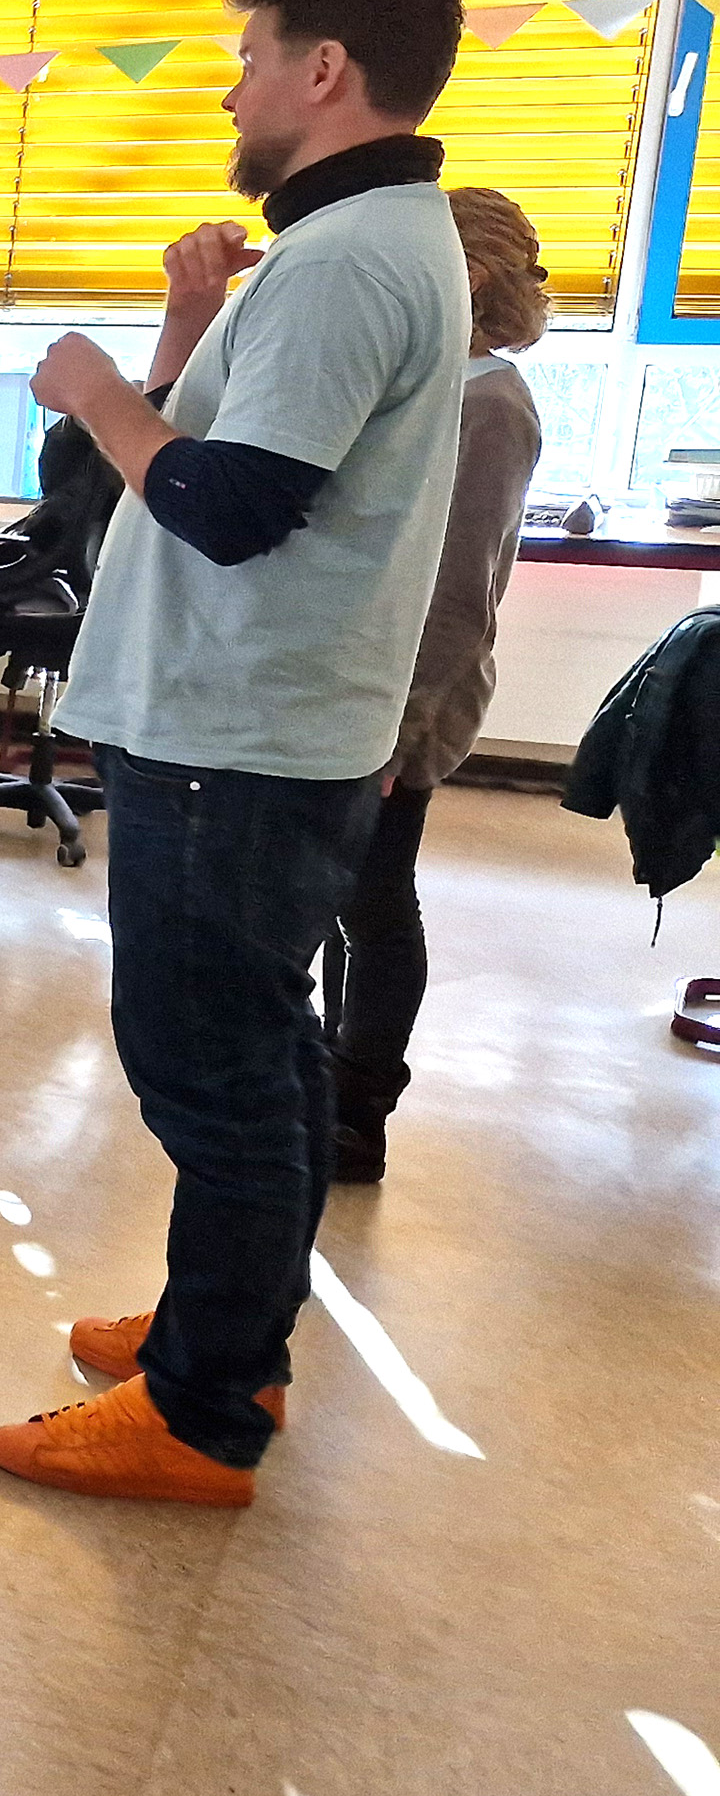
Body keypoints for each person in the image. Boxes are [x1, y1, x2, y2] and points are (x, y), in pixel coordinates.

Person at [0, 0, 473, 1507]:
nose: (234, 85)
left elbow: (227, 505)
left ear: (325, 70)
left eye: (254, 55)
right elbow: (205, 450)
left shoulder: (351, 261)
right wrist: (184, 337)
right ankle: (225, 1331)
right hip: (244, 729)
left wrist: (90, 390)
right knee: (253, 1067)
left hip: (238, 743)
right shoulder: (356, 246)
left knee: (215, 1079)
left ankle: (201, 1412)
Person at [324, 187, 547, 1185]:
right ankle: (328, 1072)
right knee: (339, 897)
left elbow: (458, 594)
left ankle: (359, 1107)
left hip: (407, 703)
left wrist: (396, 731)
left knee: (374, 902)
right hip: (363, 689)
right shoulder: (437, 386)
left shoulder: (489, 404)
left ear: (469, 279)